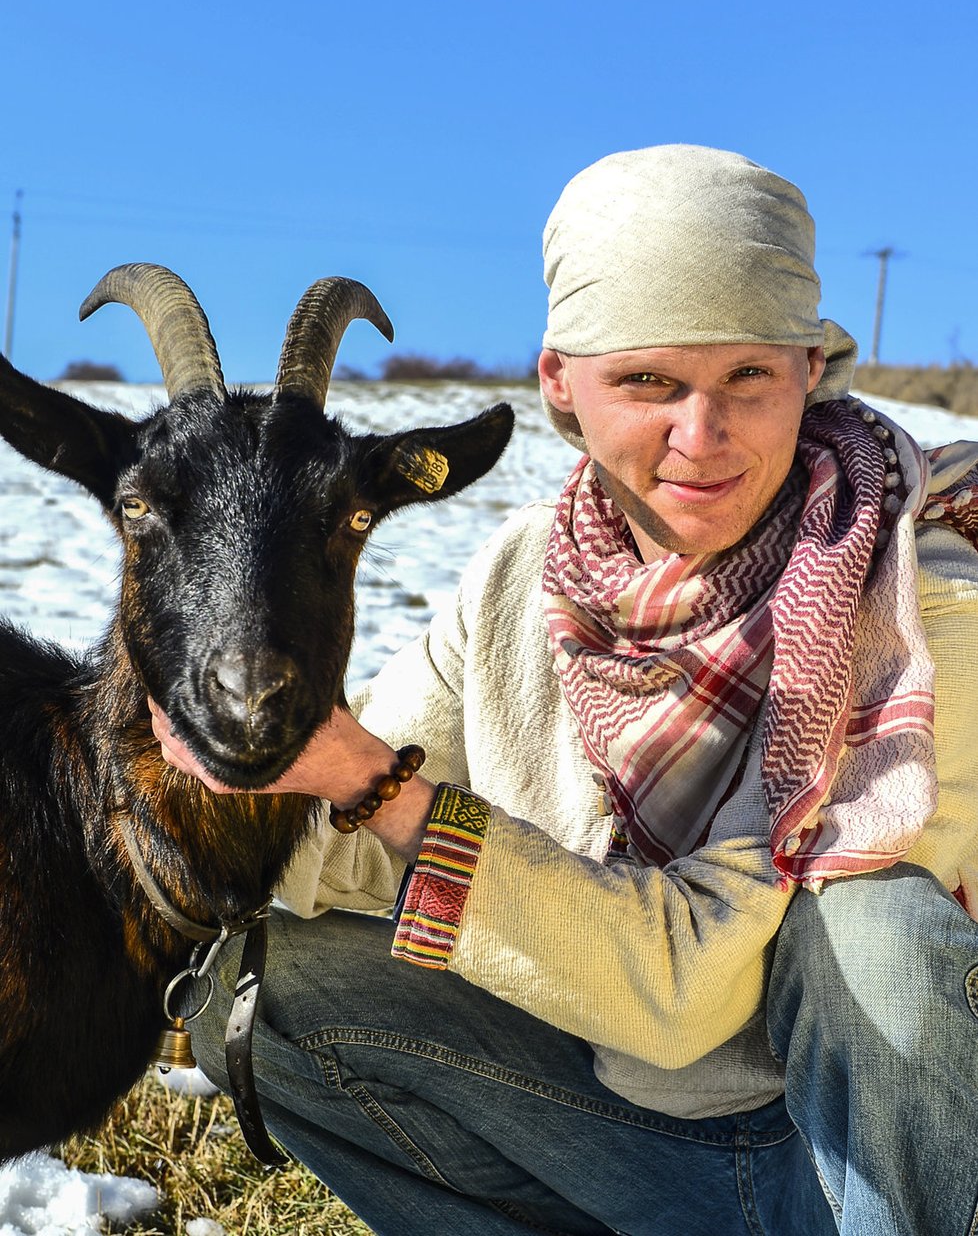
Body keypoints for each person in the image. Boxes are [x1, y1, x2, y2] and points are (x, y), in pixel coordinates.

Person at [155, 145, 978, 1236]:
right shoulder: (523, 576)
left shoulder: (919, 590)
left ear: (811, 369)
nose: (703, 435)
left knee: (875, 933)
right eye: (647, 382)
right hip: (651, 1134)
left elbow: (695, 993)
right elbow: (348, 848)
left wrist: (381, 791)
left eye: (749, 377)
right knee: (268, 990)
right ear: (560, 384)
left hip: (872, 1155)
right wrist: (211, 788)